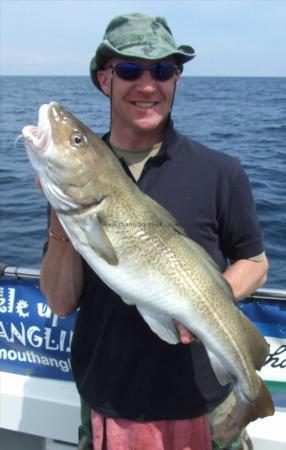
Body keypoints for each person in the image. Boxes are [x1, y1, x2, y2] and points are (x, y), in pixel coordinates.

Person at [41, 13, 269, 450]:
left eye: (162, 70)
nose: (147, 85)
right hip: (108, 402)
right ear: (104, 80)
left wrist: (200, 300)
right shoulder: (77, 179)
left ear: (176, 80)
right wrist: (60, 221)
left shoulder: (221, 171)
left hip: (204, 402)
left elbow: (255, 263)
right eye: (129, 70)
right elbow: (61, 301)